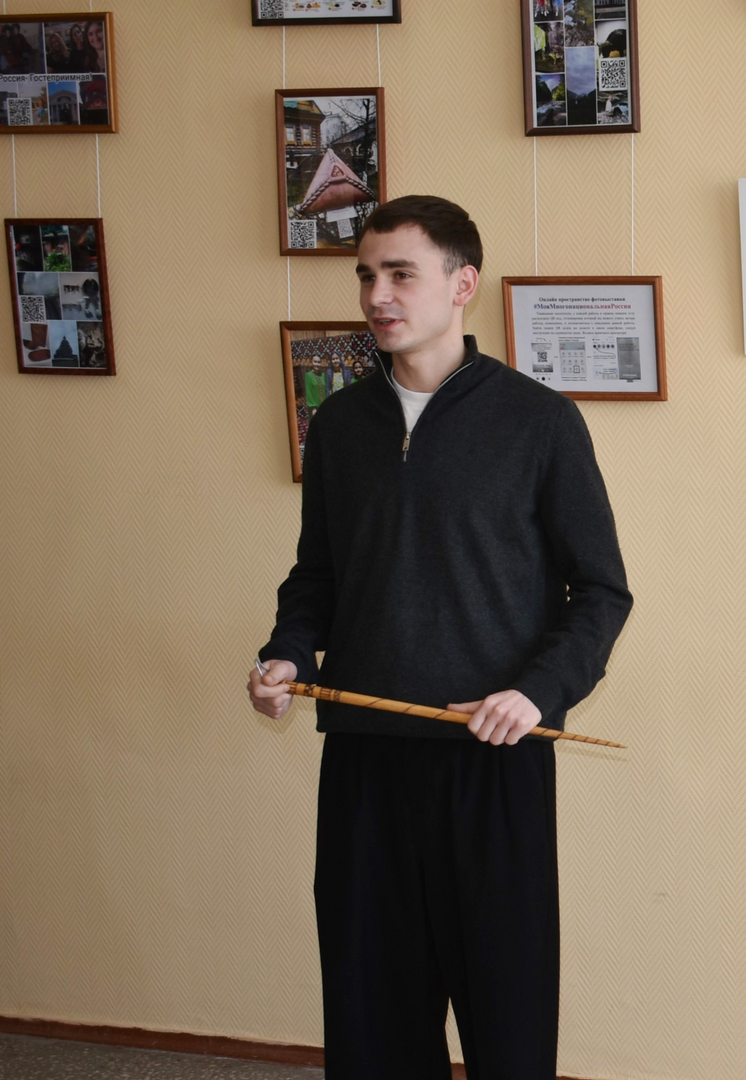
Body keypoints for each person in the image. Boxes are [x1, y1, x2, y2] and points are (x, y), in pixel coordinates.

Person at [248, 195, 631, 1080]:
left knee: (506, 1017)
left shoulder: (540, 421)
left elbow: (601, 592)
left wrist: (537, 693)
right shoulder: (340, 426)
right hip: (365, 762)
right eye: (366, 276)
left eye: (400, 274)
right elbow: (318, 578)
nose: (376, 295)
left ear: (463, 285)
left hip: (491, 761)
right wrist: (287, 653)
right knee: (372, 1017)